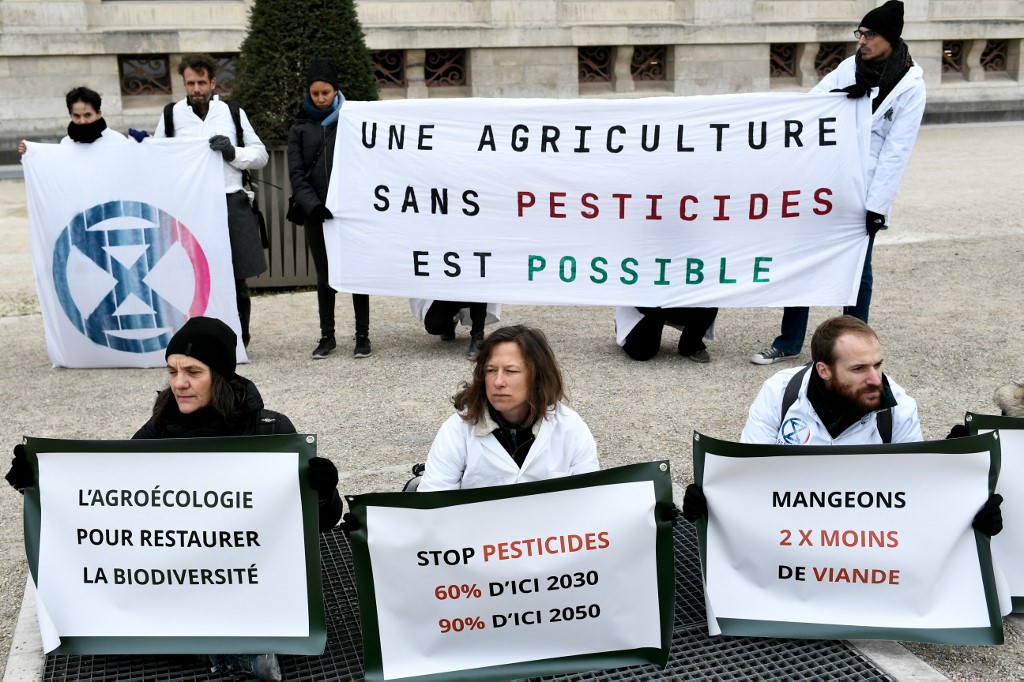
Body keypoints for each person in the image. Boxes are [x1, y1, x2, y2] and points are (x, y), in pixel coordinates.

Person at [6, 316, 343, 681]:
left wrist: (321, 491)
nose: (179, 383)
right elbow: (105, 504)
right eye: (172, 371)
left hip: (245, 573)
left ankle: (223, 644)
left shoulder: (271, 432)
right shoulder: (158, 432)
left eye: (193, 372)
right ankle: (225, 648)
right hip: (179, 569)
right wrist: (38, 484)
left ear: (220, 375)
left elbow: (324, 522)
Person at [683, 315, 1001, 536]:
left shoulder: (900, 408)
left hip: (862, 544)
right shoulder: (779, 393)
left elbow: (912, 497)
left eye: (878, 364)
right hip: (789, 536)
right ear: (824, 370)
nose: (876, 379)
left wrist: (966, 505)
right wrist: (711, 501)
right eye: (860, 368)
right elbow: (748, 479)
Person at [751, 0, 925, 365]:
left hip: (864, 189)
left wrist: (876, 206)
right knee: (802, 258)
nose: (861, 40)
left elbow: (896, 151)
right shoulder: (851, 67)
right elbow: (812, 106)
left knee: (857, 270)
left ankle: (854, 347)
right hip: (827, 179)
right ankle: (788, 341)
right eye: (859, 33)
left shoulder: (911, 86)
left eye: (869, 34)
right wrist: (838, 100)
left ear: (889, 38)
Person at [153, 54, 269, 349]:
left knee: (236, 276)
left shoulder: (232, 113)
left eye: (201, 82)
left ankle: (240, 339)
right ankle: (194, 341)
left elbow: (261, 155)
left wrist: (233, 153)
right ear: (184, 83)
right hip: (191, 207)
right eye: (190, 83)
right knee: (191, 274)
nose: (196, 89)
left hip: (230, 201)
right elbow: (157, 160)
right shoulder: (171, 115)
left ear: (213, 82)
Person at [418, 325, 599, 491]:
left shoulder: (571, 427)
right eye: (491, 370)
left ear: (537, 376)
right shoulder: (457, 430)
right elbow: (432, 502)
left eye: (511, 371)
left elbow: (590, 500)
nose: (498, 382)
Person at [287, 59, 371, 359]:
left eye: (325, 92)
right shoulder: (299, 127)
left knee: (356, 274)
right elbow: (297, 174)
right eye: (315, 93)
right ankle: (327, 337)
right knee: (325, 276)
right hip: (317, 214)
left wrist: (353, 202)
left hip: (349, 213)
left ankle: (363, 336)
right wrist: (315, 206)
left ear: (336, 90)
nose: (320, 98)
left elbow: (365, 164)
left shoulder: (352, 120)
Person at [17, 86, 127, 155]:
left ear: (98, 114)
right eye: (77, 116)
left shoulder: (118, 141)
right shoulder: (66, 143)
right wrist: (30, 154)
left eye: (87, 115)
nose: (82, 121)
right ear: (70, 115)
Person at [615, 306, 718, 363]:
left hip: (679, 291)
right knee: (642, 353)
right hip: (649, 299)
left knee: (709, 297)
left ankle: (690, 344)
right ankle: (628, 329)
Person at [410, 299, 500, 358]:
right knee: (434, 326)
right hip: (447, 289)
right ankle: (450, 322)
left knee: (478, 292)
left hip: (472, 288)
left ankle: (478, 334)